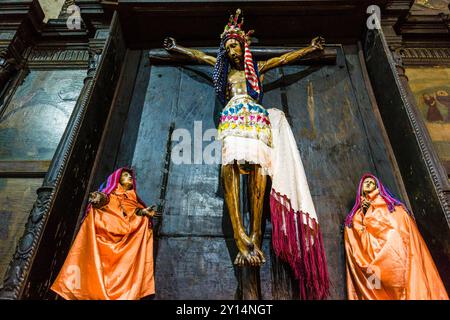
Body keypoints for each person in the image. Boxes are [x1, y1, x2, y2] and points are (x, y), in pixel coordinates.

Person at [164, 9, 329, 299]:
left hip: (255, 116)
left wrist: (311, 49)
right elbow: (199, 58)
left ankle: (254, 237)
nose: (232, 51)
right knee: (229, 167)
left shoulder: (257, 69)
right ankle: (240, 236)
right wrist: (176, 48)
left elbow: (284, 60)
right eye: (227, 47)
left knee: (258, 173)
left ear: (243, 46)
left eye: (235, 45)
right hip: (231, 117)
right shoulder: (224, 70)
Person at [51, 168, 158, 300]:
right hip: (105, 238)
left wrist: (143, 213)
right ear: (117, 180)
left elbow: (133, 212)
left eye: (131, 177)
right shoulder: (110, 195)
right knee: (96, 271)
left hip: (127, 244)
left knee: (123, 272)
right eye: (125, 176)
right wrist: (98, 198)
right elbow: (103, 201)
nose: (129, 178)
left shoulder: (132, 199)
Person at [344, 173, 449, 300]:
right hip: (373, 266)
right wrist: (364, 216)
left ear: (378, 186)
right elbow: (358, 240)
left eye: (372, 182)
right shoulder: (357, 216)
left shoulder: (391, 206)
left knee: (408, 282)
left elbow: (399, 226)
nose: (369, 184)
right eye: (366, 182)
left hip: (398, 258)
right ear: (360, 188)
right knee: (375, 286)